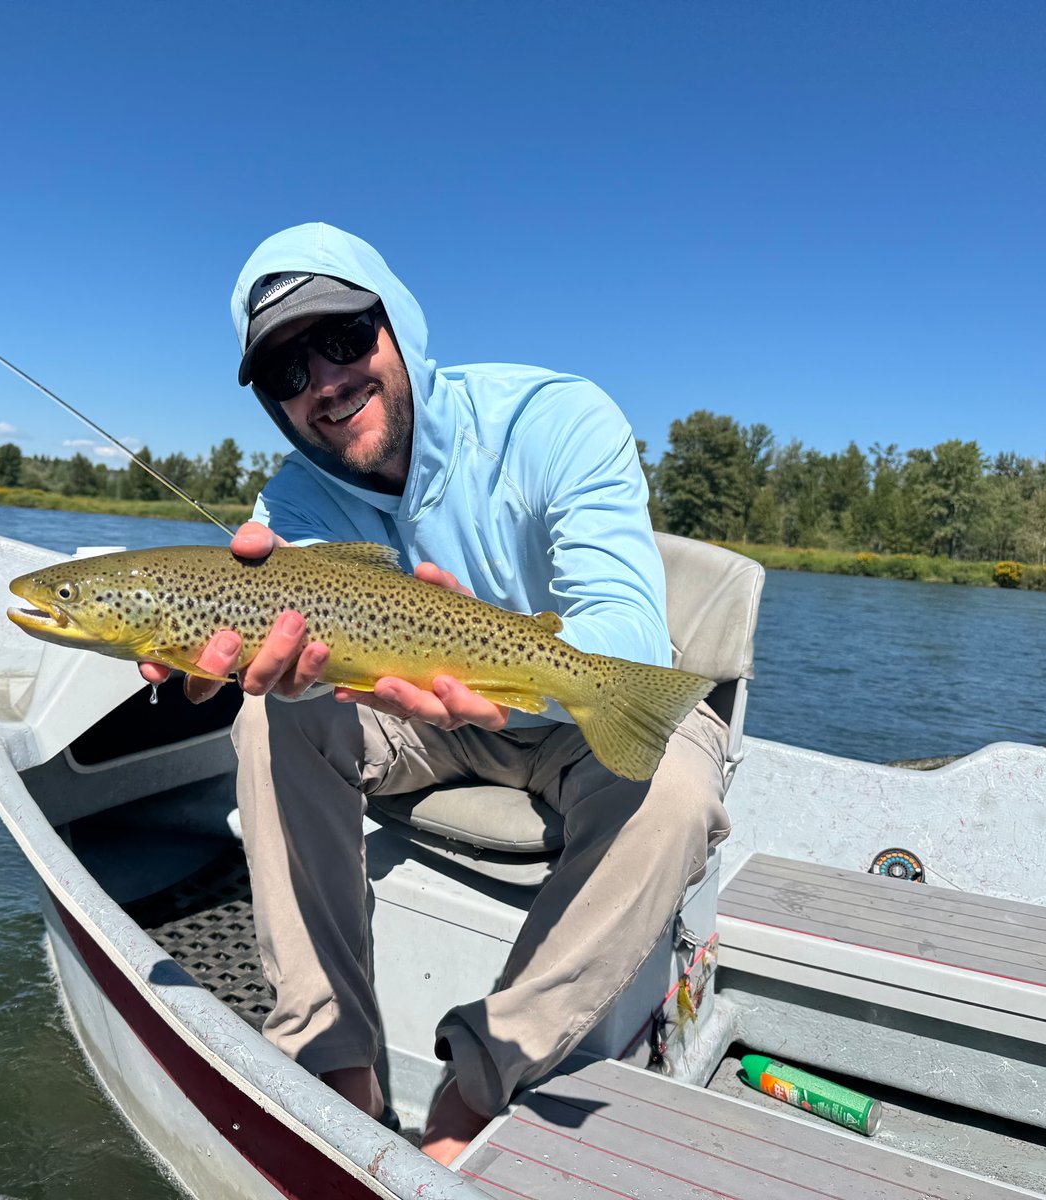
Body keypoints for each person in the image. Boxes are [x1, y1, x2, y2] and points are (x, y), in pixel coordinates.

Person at [139, 222, 729, 1167]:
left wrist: (502, 663)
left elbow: (626, 622)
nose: (323, 383)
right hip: (410, 720)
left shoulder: (553, 418)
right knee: (270, 712)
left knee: (680, 789)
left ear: (398, 326)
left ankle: (478, 1081)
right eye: (287, 371)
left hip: (567, 704)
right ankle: (336, 1064)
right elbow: (253, 636)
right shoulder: (287, 505)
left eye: (342, 338)